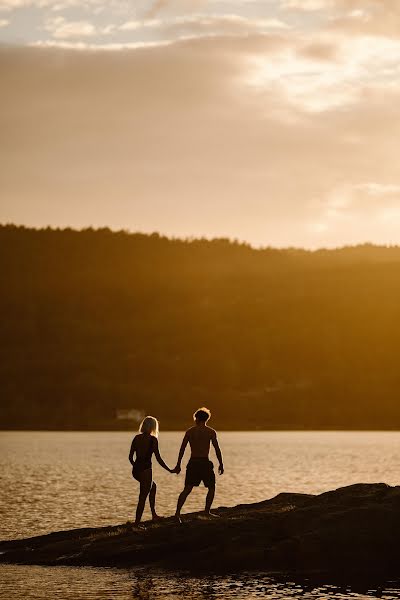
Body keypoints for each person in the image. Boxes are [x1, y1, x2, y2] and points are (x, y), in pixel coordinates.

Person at [173, 407, 224, 523]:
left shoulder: (190, 431)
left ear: (196, 418)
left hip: (194, 462)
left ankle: (177, 514)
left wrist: (178, 464)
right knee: (211, 488)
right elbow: (217, 449)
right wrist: (221, 463)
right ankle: (206, 511)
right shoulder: (210, 432)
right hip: (204, 462)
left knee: (187, 489)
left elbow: (182, 449)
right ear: (206, 419)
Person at [129, 416, 172, 525]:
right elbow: (158, 458)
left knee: (153, 487)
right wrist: (169, 469)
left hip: (136, 470)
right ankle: (137, 523)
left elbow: (130, 457)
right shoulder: (153, 440)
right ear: (153, 427)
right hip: (146, 470)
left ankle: (153, 515)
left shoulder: (136, 438)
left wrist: (136, 466)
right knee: (143, 496)